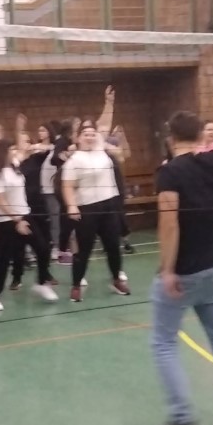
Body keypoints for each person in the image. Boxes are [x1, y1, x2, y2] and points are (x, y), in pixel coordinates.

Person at [149, 111, 213, 425]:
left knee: (163, 343)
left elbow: (169, 223)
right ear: (202, 137)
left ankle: (181, 420)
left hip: (185, 271)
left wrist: (168, 269)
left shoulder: (170, 172)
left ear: (170, 138)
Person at [63, 87, 129, 301]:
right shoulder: (74, 160)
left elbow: (104, 124)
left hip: (109, 205)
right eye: (86, 134)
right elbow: (67, 186)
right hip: (87, 208)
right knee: (83, 250)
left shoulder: (100, 147)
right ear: (78, 137)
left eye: (93, 134)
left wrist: (109, 103)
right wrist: (72, 206)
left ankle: (117, 279)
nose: (90, 136)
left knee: (113, 246)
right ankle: (76, 285)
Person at [0, 138, 58, 312]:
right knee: (3, 260)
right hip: (6, 221)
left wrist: (34, 143)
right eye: (11, 149)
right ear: (4, 152)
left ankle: (41, 283)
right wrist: (17, 220)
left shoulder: (14, 166)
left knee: (43, 248)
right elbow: (1, 202)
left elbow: (27, 151)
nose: (14, 152)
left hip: (25, 214)